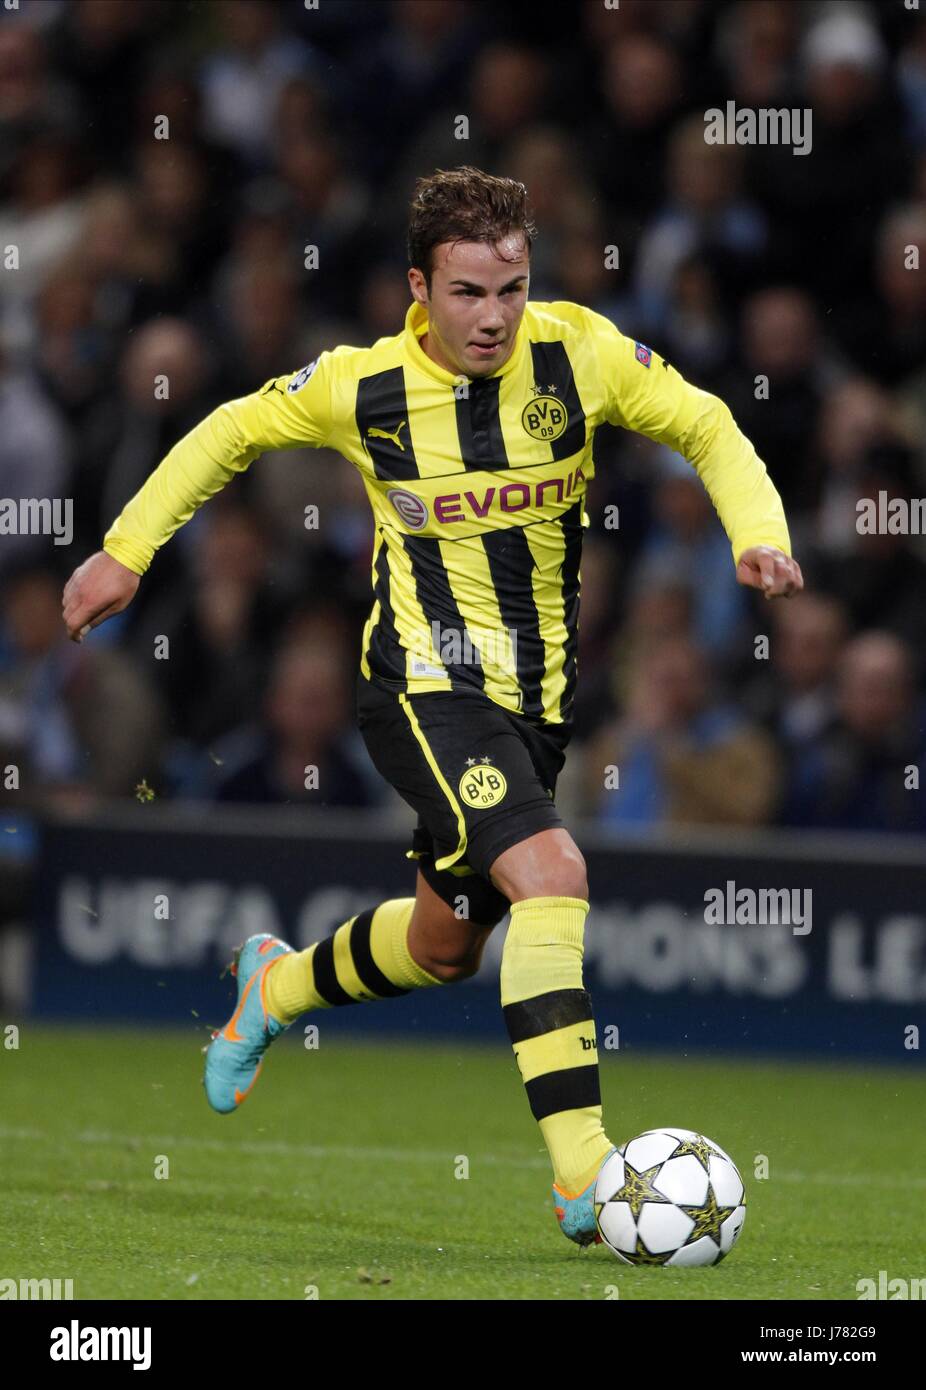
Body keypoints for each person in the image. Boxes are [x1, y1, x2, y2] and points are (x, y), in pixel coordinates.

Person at [61, 166, 802, 1247]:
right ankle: (582, 1173)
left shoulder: (579, 353)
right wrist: (124, 552)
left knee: (446, 943)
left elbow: (706, 425)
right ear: (418, 287)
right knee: (553, 876)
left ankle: (273, 988)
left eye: (509, 287)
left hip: (534, 704)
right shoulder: (359, 387)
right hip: (419, 685)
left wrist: (755, 529)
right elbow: (227, 431)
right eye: (465, 292)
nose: (492, 317)